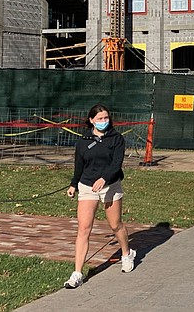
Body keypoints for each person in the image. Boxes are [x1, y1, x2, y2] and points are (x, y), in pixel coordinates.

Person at [64, 104, 135, 289]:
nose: (104, 121)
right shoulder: (83, 142)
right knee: (84, 228)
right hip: (87, 186)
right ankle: (77, 273)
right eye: (100, 119)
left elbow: (116, 164)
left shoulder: (116, 139)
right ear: (91, 120)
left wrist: (104, 179)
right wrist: (73, 184)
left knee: (115, 225)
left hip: (110, 185)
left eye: (106, 118)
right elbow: (79, 165)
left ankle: (127, 253)